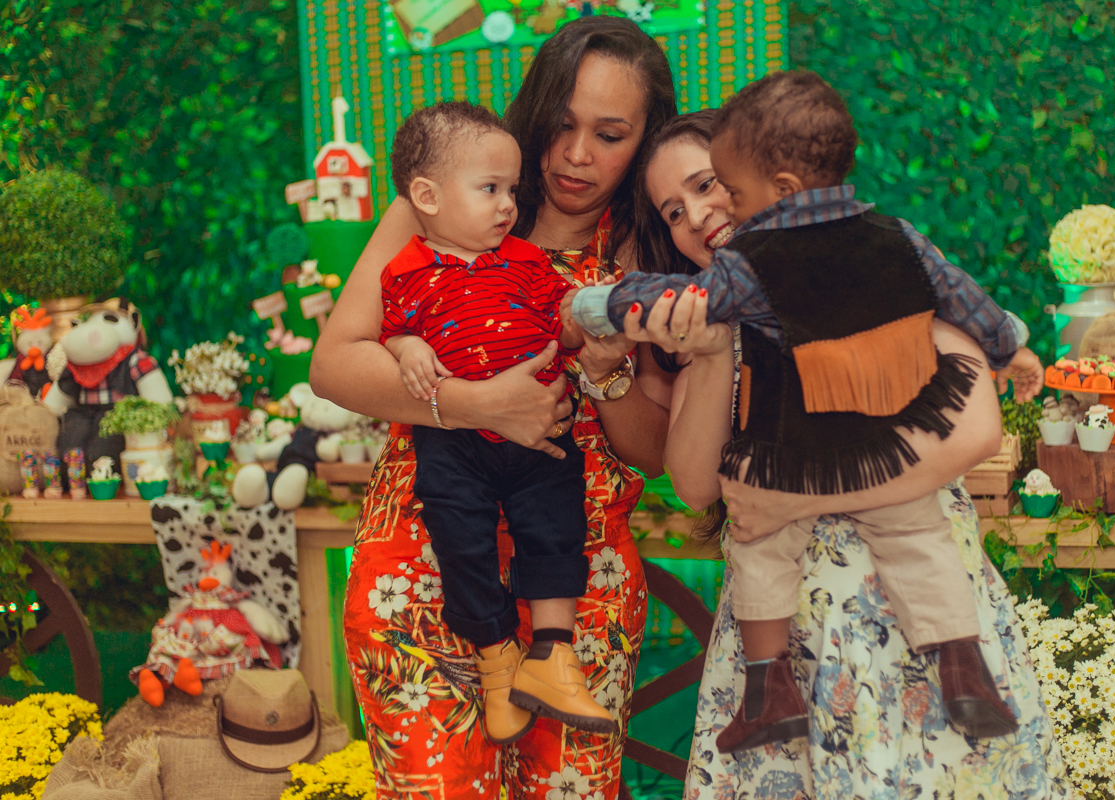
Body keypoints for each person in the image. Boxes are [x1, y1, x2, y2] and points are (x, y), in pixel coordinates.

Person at [568, 70, 1043, 751]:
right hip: (805, 621)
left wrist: (598, 303)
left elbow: (974, 433)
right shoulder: (737, 312)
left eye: (711, 185)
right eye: (672, 212)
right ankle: (791, 689)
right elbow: (695, 486)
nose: (697, 214)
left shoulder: (843, 275)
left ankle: (903, 680)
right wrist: (708, 351)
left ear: (772, 178)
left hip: (894, 624)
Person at [310, 16, 679, 799]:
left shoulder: (649, 248)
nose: (576, 155)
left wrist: (607, 375)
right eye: (562, 125)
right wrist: (473, 403)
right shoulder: (437, 207)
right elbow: (335, 363)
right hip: (422, 568)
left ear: (645, 141)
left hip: (577, 586)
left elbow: (654, 453)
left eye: (610, 135)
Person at [379, 100, 614, 741]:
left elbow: (560, 325)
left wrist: (586, 319)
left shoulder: (528, 261)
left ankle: (554, 655)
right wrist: (408, 348)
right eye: (490, 189)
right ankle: (496, 658)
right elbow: (391, 331)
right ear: (427, 196)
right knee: (460, 542)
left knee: (558, 525)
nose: (509, 205)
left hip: (541, 433)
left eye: (512, 190)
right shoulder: (404, 271)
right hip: (454, 445)